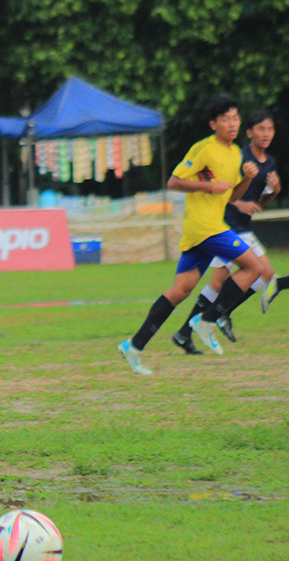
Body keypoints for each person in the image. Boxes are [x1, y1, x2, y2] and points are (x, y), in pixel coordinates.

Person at [117, 95, 262, 374]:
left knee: (180, 291)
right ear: (213, 124)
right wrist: (207, 187)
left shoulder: (235, 154)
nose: (232, 124)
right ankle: (207, 320)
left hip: (208, 227)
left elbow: (231, 196)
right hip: (204, 227)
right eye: (225, 119)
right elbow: (173, 181)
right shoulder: (203, 149)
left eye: (235, 118)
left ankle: (133, 346)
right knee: (254, 266)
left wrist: (247, 179)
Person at [172, 110, 281, 353]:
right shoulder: (239, 156)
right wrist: (237, 202)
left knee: (243, 279)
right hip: (225, 225)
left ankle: (189, 330)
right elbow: (225, 192)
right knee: (255, 274)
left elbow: (258, 205)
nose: (266, 134)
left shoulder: (270, 163)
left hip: (242, 226)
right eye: (261, 129)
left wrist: (273, 192)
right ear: (249, 132)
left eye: (270, 129)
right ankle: (213, 317)